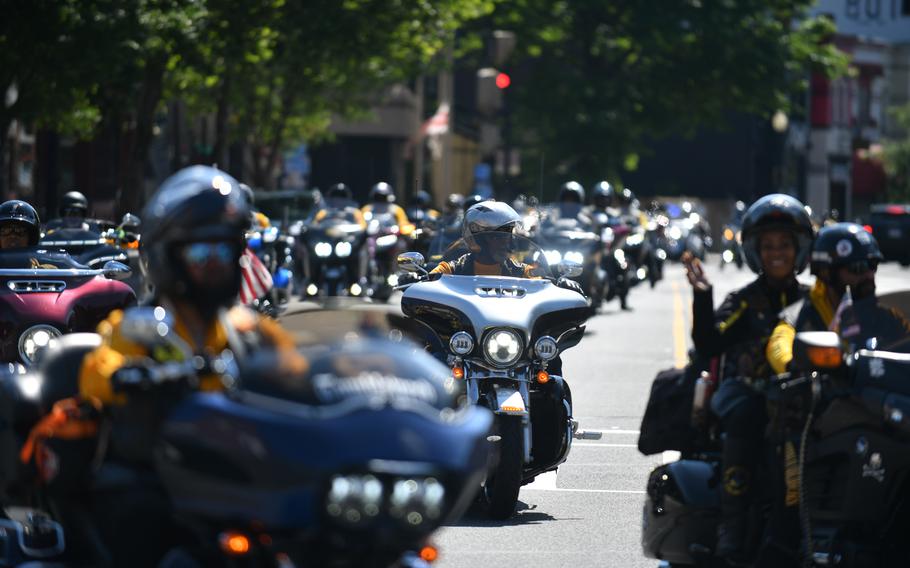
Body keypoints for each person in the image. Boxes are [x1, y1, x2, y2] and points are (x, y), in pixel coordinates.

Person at [75, 165, 306, 566]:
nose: (216, 263)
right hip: (164, 473)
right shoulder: (139, 327)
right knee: (138, 517)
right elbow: (99, 367)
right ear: (169, 257)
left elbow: (299, 372)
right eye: (202, 252)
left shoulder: (249, 329)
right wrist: (127, 375)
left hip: (240, 472)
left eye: (225, 251)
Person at [683, 193, 814, 561]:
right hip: (748, 395)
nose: (777, 252)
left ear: (799, 249)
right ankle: (732, 532)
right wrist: (703, 297)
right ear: (756, 251)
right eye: (768, 245)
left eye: (785, 244)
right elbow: (708, 343)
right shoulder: (744, 301)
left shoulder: (816, 300)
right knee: (745, 416)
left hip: (804, 397)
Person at [767, 222, 910, 373]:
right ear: (826, 273)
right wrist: (792, 365)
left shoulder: (887, 318)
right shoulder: (799, 317)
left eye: (872, 265)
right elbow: (778, 344)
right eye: (858, 267)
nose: (869, 275)